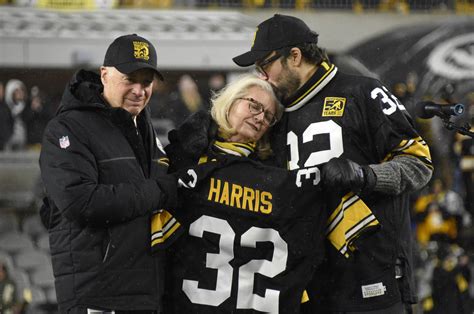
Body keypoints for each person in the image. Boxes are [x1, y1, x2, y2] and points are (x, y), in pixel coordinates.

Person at [231, 14, 434, 313]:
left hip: (372, 276)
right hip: (309, 283)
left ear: (295, 56)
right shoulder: (275, 114)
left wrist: (365, 175)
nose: (262, 75)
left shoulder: (364, 92)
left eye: (266, 65)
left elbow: (420, 163)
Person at [157, 74, 380, 313]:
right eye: (254, 105)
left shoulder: (282, 178)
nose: (261, 117)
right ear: (230, 100)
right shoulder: (183, 157)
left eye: (269, 116)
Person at [39, 34, 180, 314]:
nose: (139, 90)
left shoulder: (144, 127)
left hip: (142, 294)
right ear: (104, 75)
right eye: (130, 79)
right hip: (99, 298)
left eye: (147, 82)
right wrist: (160, 192)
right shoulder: (67, 128)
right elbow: (81, 202)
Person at [2, 79, 28, 151]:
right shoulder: (5, 109)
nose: (20, 93)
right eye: (17, 91)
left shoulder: (27, 109)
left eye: (21, 90)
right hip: (7, 144)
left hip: (24, 144)